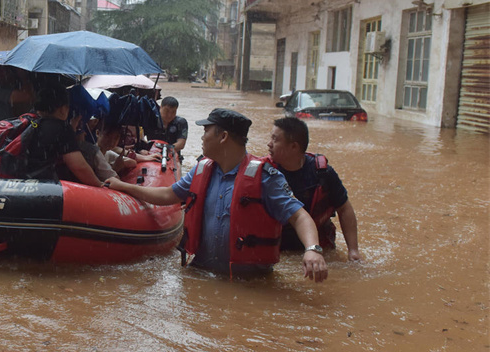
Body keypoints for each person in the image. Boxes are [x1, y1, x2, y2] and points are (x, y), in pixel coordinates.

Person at [106, 108, 328, 281]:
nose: (201, 138)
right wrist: (124, 187)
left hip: (249, 284)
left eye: (206, 131)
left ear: (223, 137)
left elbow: (299, 216)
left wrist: (313, 250)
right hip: (201, 274)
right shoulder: (202, 169)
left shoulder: (266, 178)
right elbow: (168, 195)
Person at [268, 117, 362, 261]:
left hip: (319, 251)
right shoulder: (265, 173)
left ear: (294, 147)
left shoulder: (322, 174)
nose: (269, 144)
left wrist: (353, 251)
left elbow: (344, 209)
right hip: (280, 251)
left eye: (275, 140)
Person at [25, 85, 103, 187]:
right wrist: (99, 185)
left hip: (19, 184)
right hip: (45, 188)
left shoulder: (28, 122)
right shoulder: (62, 128)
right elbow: (79, 167)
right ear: (63, 108)